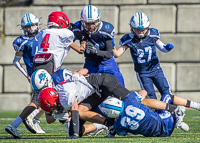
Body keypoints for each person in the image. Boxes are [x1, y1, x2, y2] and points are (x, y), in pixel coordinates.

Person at [37, 68, 200, 139]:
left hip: (103, 82)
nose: (50, 110)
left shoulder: (65, 94)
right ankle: (109, 125)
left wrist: (72, 132)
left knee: (136, 101)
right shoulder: (57, 93)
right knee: (77, 121)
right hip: (94, 93)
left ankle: (172, 109)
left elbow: (71, 108)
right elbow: (58, 116)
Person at [5, 11, 84, 139]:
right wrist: (83, 37)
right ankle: (15, 124)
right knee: (40, 100)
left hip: (38, 64)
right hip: (48, 65)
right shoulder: (65, 33)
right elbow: (80, 50)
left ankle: (65, 121)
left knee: (49, 96)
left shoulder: (43, 32)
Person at [113, 12, 174, 99]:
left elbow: (163, 48)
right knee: (150, 96)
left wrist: (167, 48)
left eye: (143, 30)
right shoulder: (129, 39)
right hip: (143, 73)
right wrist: (111, 46)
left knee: (166, 92)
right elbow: (117, 54)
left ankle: (170, 111)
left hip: (156, 70)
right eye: (138, 30)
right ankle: (155, 113)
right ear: (132, 28)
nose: (141, 32)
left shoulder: (153, 34)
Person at [9, 13, 45, 135]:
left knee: (48, 99)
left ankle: (34, 120)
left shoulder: (43, 35)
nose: (31, 28)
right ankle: (20, 122)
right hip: (36, 74)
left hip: (46, 71)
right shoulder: (21, 41)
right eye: (28, 26)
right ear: (24, 27)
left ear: (38, 24)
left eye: (33, 25)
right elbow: (16, 62)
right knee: (39, 101)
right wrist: (27, 75)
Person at [73, 5, 124, 86]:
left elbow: (109, 53)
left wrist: (96, 51)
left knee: (120, 87)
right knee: (86, 89)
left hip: (107, 63)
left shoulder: (106, 29)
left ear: (98, 20)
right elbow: (67, 41)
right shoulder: (78, 28)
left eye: (93, 23)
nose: (90, 26)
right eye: (87, 23)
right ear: (82, 22)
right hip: (90, 63)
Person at [101, 93, 189, 137]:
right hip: (166, 122)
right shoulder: (130, 99)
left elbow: (123, 133)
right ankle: (178, 114)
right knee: (167, 96)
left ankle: (177, 119)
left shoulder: (118, 125)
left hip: (158, 134)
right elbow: (144, 91)